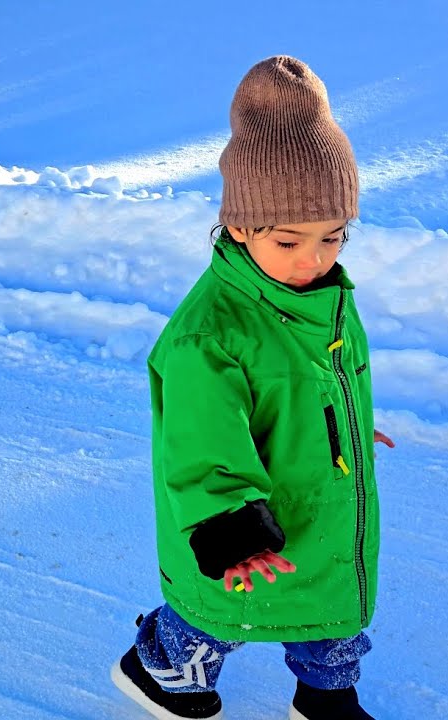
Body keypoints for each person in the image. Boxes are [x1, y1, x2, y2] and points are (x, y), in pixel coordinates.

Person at [111, 55, 394, 720]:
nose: (315, 258)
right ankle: (161, 665)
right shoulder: (209, 335)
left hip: (322, 484)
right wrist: (230, 528)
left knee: (333, 595)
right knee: (229, 609)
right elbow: (200, 440)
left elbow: (327, 373)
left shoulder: (324, 294)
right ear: (240, 225)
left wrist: (350, 419)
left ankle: (326, 696)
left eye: (333, 236)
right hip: (245, 513)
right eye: (290, 240)